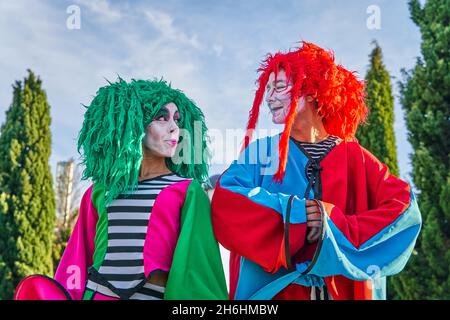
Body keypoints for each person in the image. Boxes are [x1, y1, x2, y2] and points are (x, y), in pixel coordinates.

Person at [211, 41, 422, 300]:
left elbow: (404, 210)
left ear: (310, 91)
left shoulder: (354, 156)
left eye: (278, 87)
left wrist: (331, 224)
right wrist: (295, 214)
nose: (269, 97)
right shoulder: (261, 152)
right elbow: (226, 198)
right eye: (267, 90)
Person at [14, 78, 228, 300]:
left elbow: (197, 268)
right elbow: (77, 257)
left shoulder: (188, 191)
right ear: (133, 124)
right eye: (161, 117)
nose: (175, 128)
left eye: (177, 119)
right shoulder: (100, 192)